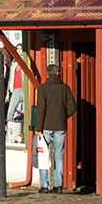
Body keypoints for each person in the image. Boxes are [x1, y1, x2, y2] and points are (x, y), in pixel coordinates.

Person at [33, 63, 77, 193]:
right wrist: (64, 116)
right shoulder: (65, 88)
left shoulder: (43, 89)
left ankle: (44, 186)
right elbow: (73, 107)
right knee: (59, 155)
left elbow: (41, 110)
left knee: (44, 155)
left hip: (46, 126)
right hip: (60, 126)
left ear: (47, 74)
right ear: (58, 73)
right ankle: (58, 185)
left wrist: (38, 128)